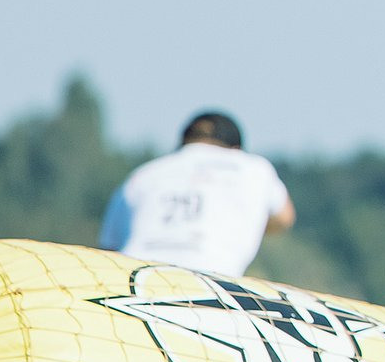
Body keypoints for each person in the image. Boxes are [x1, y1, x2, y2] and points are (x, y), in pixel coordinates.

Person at [99, 111, 296, 276]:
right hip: (211, 281)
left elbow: (109, 248)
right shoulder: (253, 168)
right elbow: (284, 218)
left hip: (132, 278)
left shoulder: (142, 175)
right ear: (236, 149)